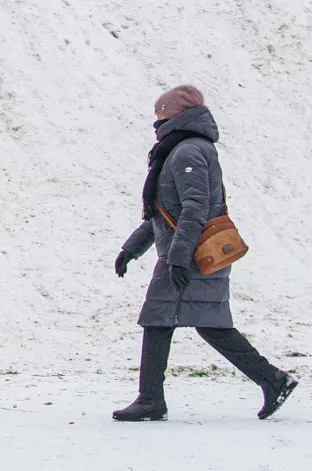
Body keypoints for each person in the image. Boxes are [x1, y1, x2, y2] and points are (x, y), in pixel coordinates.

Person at [112, 85, 298, 421]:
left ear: (177, 116)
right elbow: (163, 214)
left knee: (168, 320)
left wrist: (179, 257)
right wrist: (132, 249)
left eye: (161, 115)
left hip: (191, 255)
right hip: (186, 252)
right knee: (196, 323)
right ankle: (272, 380)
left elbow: (194, 210)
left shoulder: (187, 152)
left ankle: (152, 399)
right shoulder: (182, 150)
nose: (156, 123)